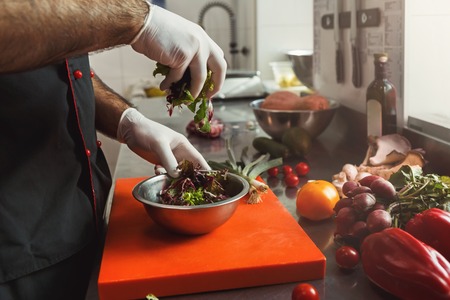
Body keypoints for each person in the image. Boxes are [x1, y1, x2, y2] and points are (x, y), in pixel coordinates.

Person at [0, 1, 226, 299]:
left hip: (81, 223)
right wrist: (139, 21)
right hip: (14, 249)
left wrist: (126, 119)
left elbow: (56, 69)